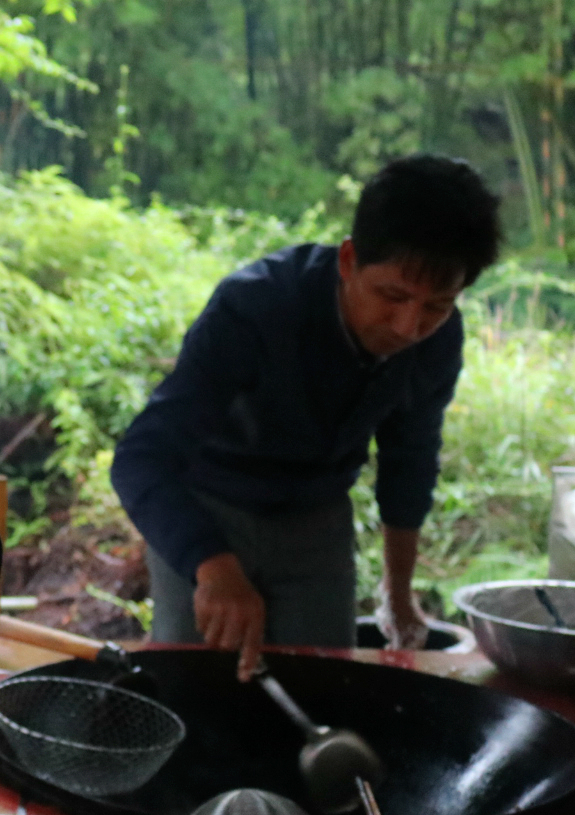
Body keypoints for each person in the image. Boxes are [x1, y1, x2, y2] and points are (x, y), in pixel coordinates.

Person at [111, 154, 502, 681]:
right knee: (193, 690)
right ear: (348, 261)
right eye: (392, 296)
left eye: (437, 305)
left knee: (322, 686)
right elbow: (140, 461)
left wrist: (400, 592)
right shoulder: (255, 308)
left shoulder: (437, 341)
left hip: (319, 521)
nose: (410, 325)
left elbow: (409, 460)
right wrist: (215, 568)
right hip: (206, 511)